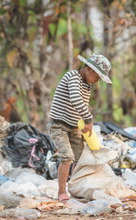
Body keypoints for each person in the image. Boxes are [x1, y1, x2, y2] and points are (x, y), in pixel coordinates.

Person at [48, 54, 112, 203]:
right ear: (88, 69)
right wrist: (89, 119)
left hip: (74, 126)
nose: (97, 81)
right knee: (67, 157)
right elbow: (76, 99)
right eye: (97, 77)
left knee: (80, 158)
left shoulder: (87, 86)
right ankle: (61, 191)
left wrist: (85, 130)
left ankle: (75, 188)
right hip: (59, 125)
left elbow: (81, 108)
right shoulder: (72, 76)